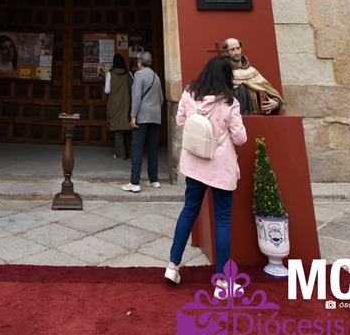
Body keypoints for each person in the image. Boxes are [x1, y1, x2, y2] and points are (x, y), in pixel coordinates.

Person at [165, 56, 247, 294]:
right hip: (219, 165)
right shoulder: (229, 102)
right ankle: (222, 279)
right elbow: (240, 138)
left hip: (195, 162)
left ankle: (173, 265)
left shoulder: (189, 94)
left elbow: (181, 122)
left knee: (189, 210)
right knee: (222, 219)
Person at [122, 51, 164, 192]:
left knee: (137, 148)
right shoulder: (156, 76)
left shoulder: (139, 75)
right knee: (152, 149)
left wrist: (133, 115)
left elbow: (136, 97)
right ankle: (154, 180)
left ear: (140, 62)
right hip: (155, 116)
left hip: (142, 116)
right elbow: (161, 98)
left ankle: (134, 182)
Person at [221, 38, 284, 114]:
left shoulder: (252, 72)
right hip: (232, 117)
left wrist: (276, 103)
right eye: (232, 49)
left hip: (254, 116)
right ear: (226, 53)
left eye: (238, 48)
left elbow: (270, 92)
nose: (236, 52)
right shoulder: (224, 73)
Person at [105, 53, 132, 160]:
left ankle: (120, 154)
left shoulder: (110, 74)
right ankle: (130, 153)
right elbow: (132, 88)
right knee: (127, 128)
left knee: (118, 129)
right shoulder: (128, 73)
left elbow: (107, 90)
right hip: (127, 103)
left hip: (114, 103)